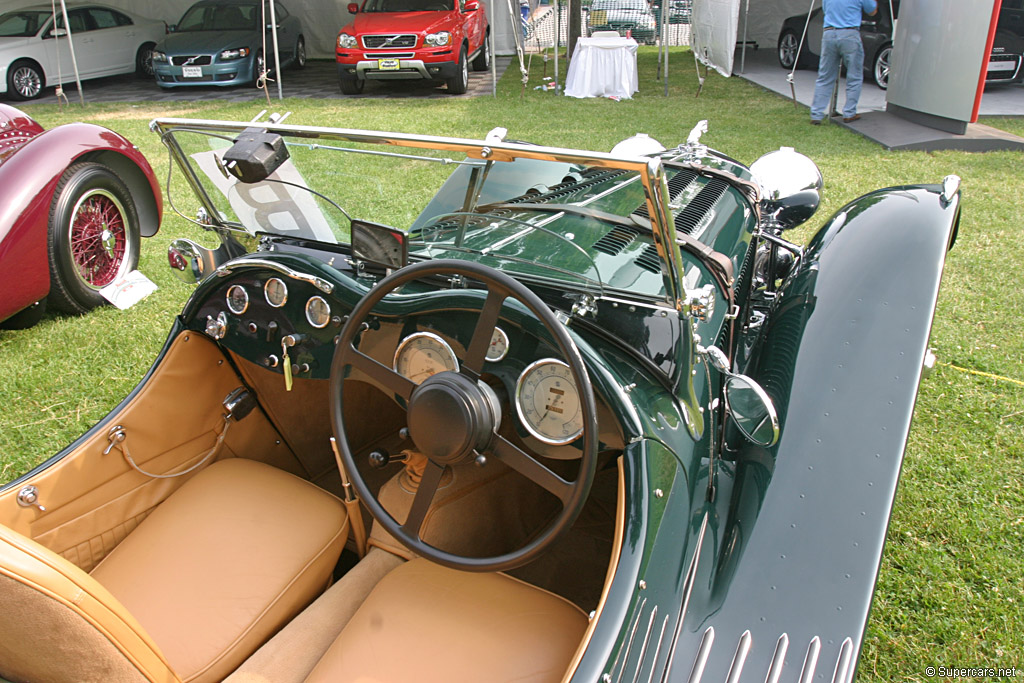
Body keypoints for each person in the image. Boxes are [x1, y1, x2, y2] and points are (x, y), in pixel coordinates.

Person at [810, 0, 878, 125]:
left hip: (829, 33)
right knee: (854, 76)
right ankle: (849, 113)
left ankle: (816, 114)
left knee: (825, 76)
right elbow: (872, 11)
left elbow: (826, 10)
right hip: (849, 33)